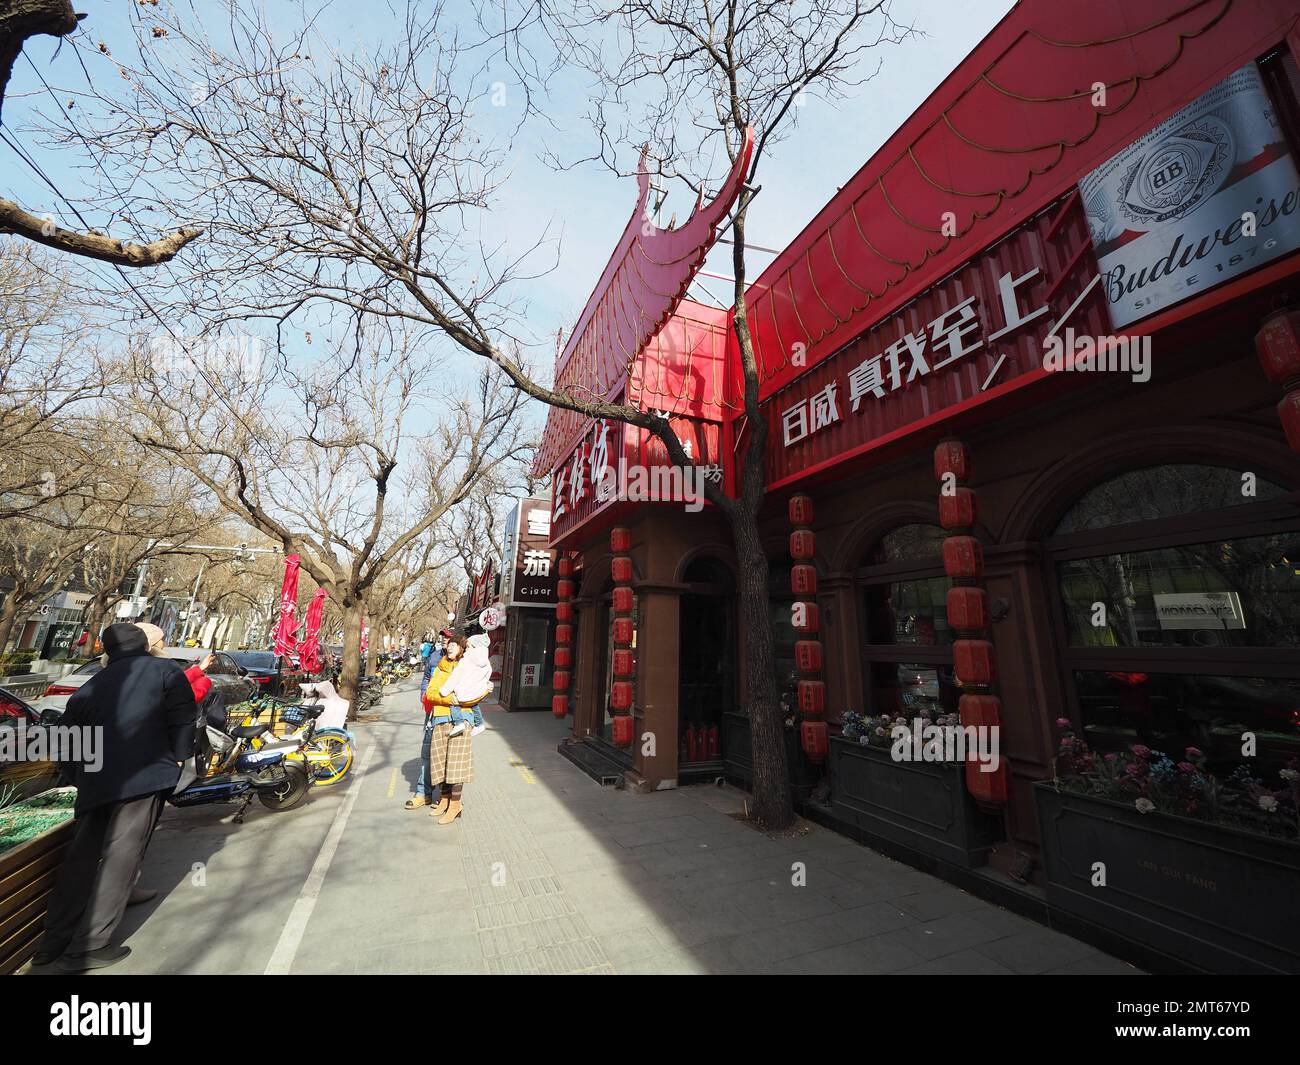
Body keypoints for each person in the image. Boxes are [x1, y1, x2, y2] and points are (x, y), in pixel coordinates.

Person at [33, 622, 197, 972]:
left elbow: (67, 742)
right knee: (121, 860)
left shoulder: (90, 687)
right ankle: (89, 947)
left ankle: (52, 942)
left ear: (107, 650)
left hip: (96, 783)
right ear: (144, 644)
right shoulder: (166, 671)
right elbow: (184, 720)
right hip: (143, 780)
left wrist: (82, 777)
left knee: (80, 859)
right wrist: (179, 758)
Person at [424, 633, 481, 825]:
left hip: (462, 719)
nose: (450, 647)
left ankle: (455, 805)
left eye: (455, 645)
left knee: (456, 763)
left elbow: (473, 696)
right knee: (440, 761)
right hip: (440, 717)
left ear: (463, 650)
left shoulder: (467, 668)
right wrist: (448, 699)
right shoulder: (439, 668)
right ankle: (445, 799)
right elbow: (431, 693)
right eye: (450, 644)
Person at [404, 628, 455, 810]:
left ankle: (445, 795)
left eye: (449, 638)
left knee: (447, 755)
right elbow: (426, 677)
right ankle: (422, 792)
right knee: (427, 752)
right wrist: (424, 695)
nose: (444, 640)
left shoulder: (462, 662)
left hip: (451, 715)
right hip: (432, 713)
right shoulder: (434, 657)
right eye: (443, 637)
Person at [439, 633, 492, 737]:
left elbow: (455, 677)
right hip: (477, 692)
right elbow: (487, 676)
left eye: (468, 647)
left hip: (464, 693)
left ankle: (459, 723)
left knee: (455, 703)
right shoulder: (487, 663)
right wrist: (484, 686)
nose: (466, 650)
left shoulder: (465, 660)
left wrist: (445, 690)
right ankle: (479, 723)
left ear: (474, 647)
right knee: (474, 704)